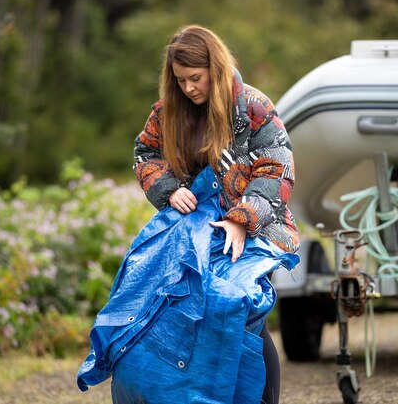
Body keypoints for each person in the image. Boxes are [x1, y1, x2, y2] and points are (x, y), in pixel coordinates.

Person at [77, 25, 299, 404]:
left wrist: (241, 219)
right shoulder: (167, 112)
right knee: (166, 302)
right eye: (180, 81)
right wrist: (168, 189)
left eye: (195, 78)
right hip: (193, 228)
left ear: (216, 68)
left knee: (240, 310)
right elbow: (145, 155)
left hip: (258, 226)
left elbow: (278, 167)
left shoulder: (253, 107)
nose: (189, 89)